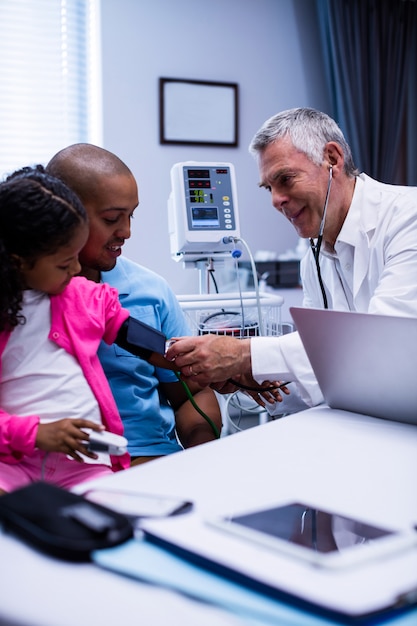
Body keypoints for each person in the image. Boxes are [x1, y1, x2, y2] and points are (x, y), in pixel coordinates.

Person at [166, 107, 417, 407]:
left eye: (285, 179)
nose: (275, 200)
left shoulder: (407, 218)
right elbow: (330, 378)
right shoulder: (313, 256)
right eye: (269, 188)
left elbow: (386, 344)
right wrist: (257, 379)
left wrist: (244, 355)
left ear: (332, 159)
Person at [46, 144, 229, 464]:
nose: (127, 231)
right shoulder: (22, 299)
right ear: (62, 213)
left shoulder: (146, 292)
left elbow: (185, 379)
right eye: (112, 218)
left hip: (149, 457)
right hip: (57, 460)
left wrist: (203, 457)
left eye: (131, 215)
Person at [0, 166, 133, 494]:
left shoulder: (79, 294)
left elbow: (142, 339)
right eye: (64, 263)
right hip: (11, 464)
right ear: (18, 261)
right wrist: (35, 434)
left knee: (110, 513)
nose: (76, 269)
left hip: (84, 465)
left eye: (76, 257)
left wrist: (184, 355)